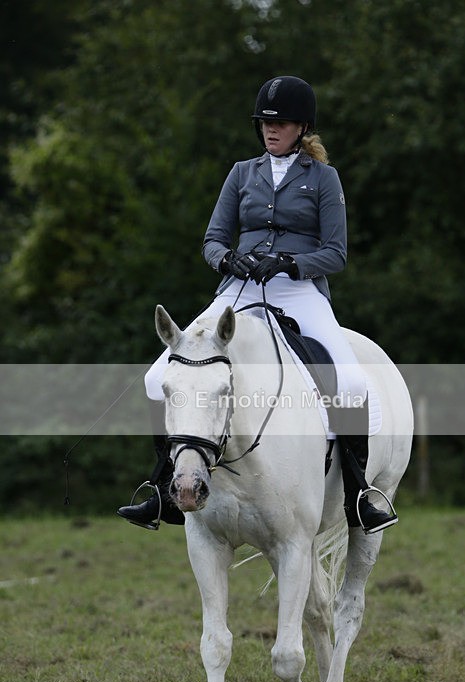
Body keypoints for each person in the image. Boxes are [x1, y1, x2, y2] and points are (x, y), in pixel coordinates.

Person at [118, 75, 397, 534]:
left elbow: (336, 253)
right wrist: (228, 258)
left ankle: (359, 492)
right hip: (239, 290)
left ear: (302, 127)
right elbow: (211, 239)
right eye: (265, 123)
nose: (271, 130)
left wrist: (290, 263)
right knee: (155, 376)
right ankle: (163, 485)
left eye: (281, 123)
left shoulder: (323, 178)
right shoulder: (241, 172)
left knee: (348, 379)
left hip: (298, 291)